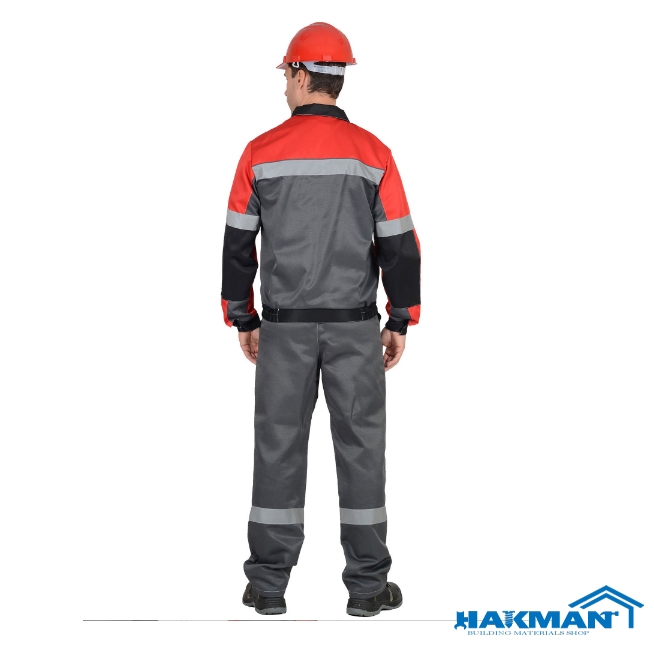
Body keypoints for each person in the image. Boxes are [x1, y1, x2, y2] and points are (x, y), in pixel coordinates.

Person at [221, 22, 421, 617]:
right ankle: (367, 588)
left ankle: (268, 586)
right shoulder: (373, 154)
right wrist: (400, 318)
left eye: (287, 73)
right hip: (356, 330)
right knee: (362, 450)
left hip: (283, 330)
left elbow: (237, 246)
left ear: (301, 73)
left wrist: (243, 318)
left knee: (277, 448)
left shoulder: (260, 153)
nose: (284, 84)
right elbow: (400, 245)